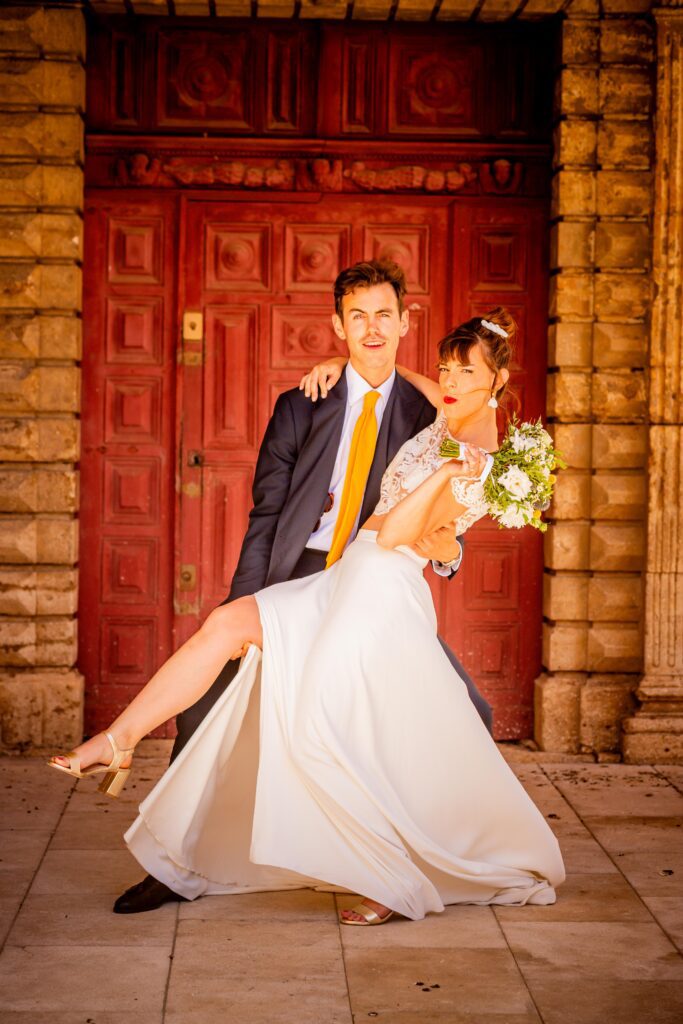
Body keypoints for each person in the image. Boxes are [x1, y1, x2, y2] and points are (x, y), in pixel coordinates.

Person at [48, 304, 565, 926]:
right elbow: (405, 385)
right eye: (445, 368)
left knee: (323, 722)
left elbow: (400, 532)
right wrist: (341, 364)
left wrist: (449, 481)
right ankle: (118, 741)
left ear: (498, 383)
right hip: (346, 575)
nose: (448, 383)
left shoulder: (476, 459)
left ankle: (389, 877)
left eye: (465, 373)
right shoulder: (451, 409)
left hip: (379, 590)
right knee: (226, 626)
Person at [109, 258, 493, 915]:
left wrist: (447, 557)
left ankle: (420, 853)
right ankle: (174, 865)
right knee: (211, 705)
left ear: (404, 322)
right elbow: (266, 514)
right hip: (301, 572)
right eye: (356, 316)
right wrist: (242, 598)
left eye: (383, 315)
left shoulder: (433, 408)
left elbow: (460, 498)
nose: (370, 328)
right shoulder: (301, 403)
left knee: (468, 712)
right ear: (337, 325)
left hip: (372, 587)